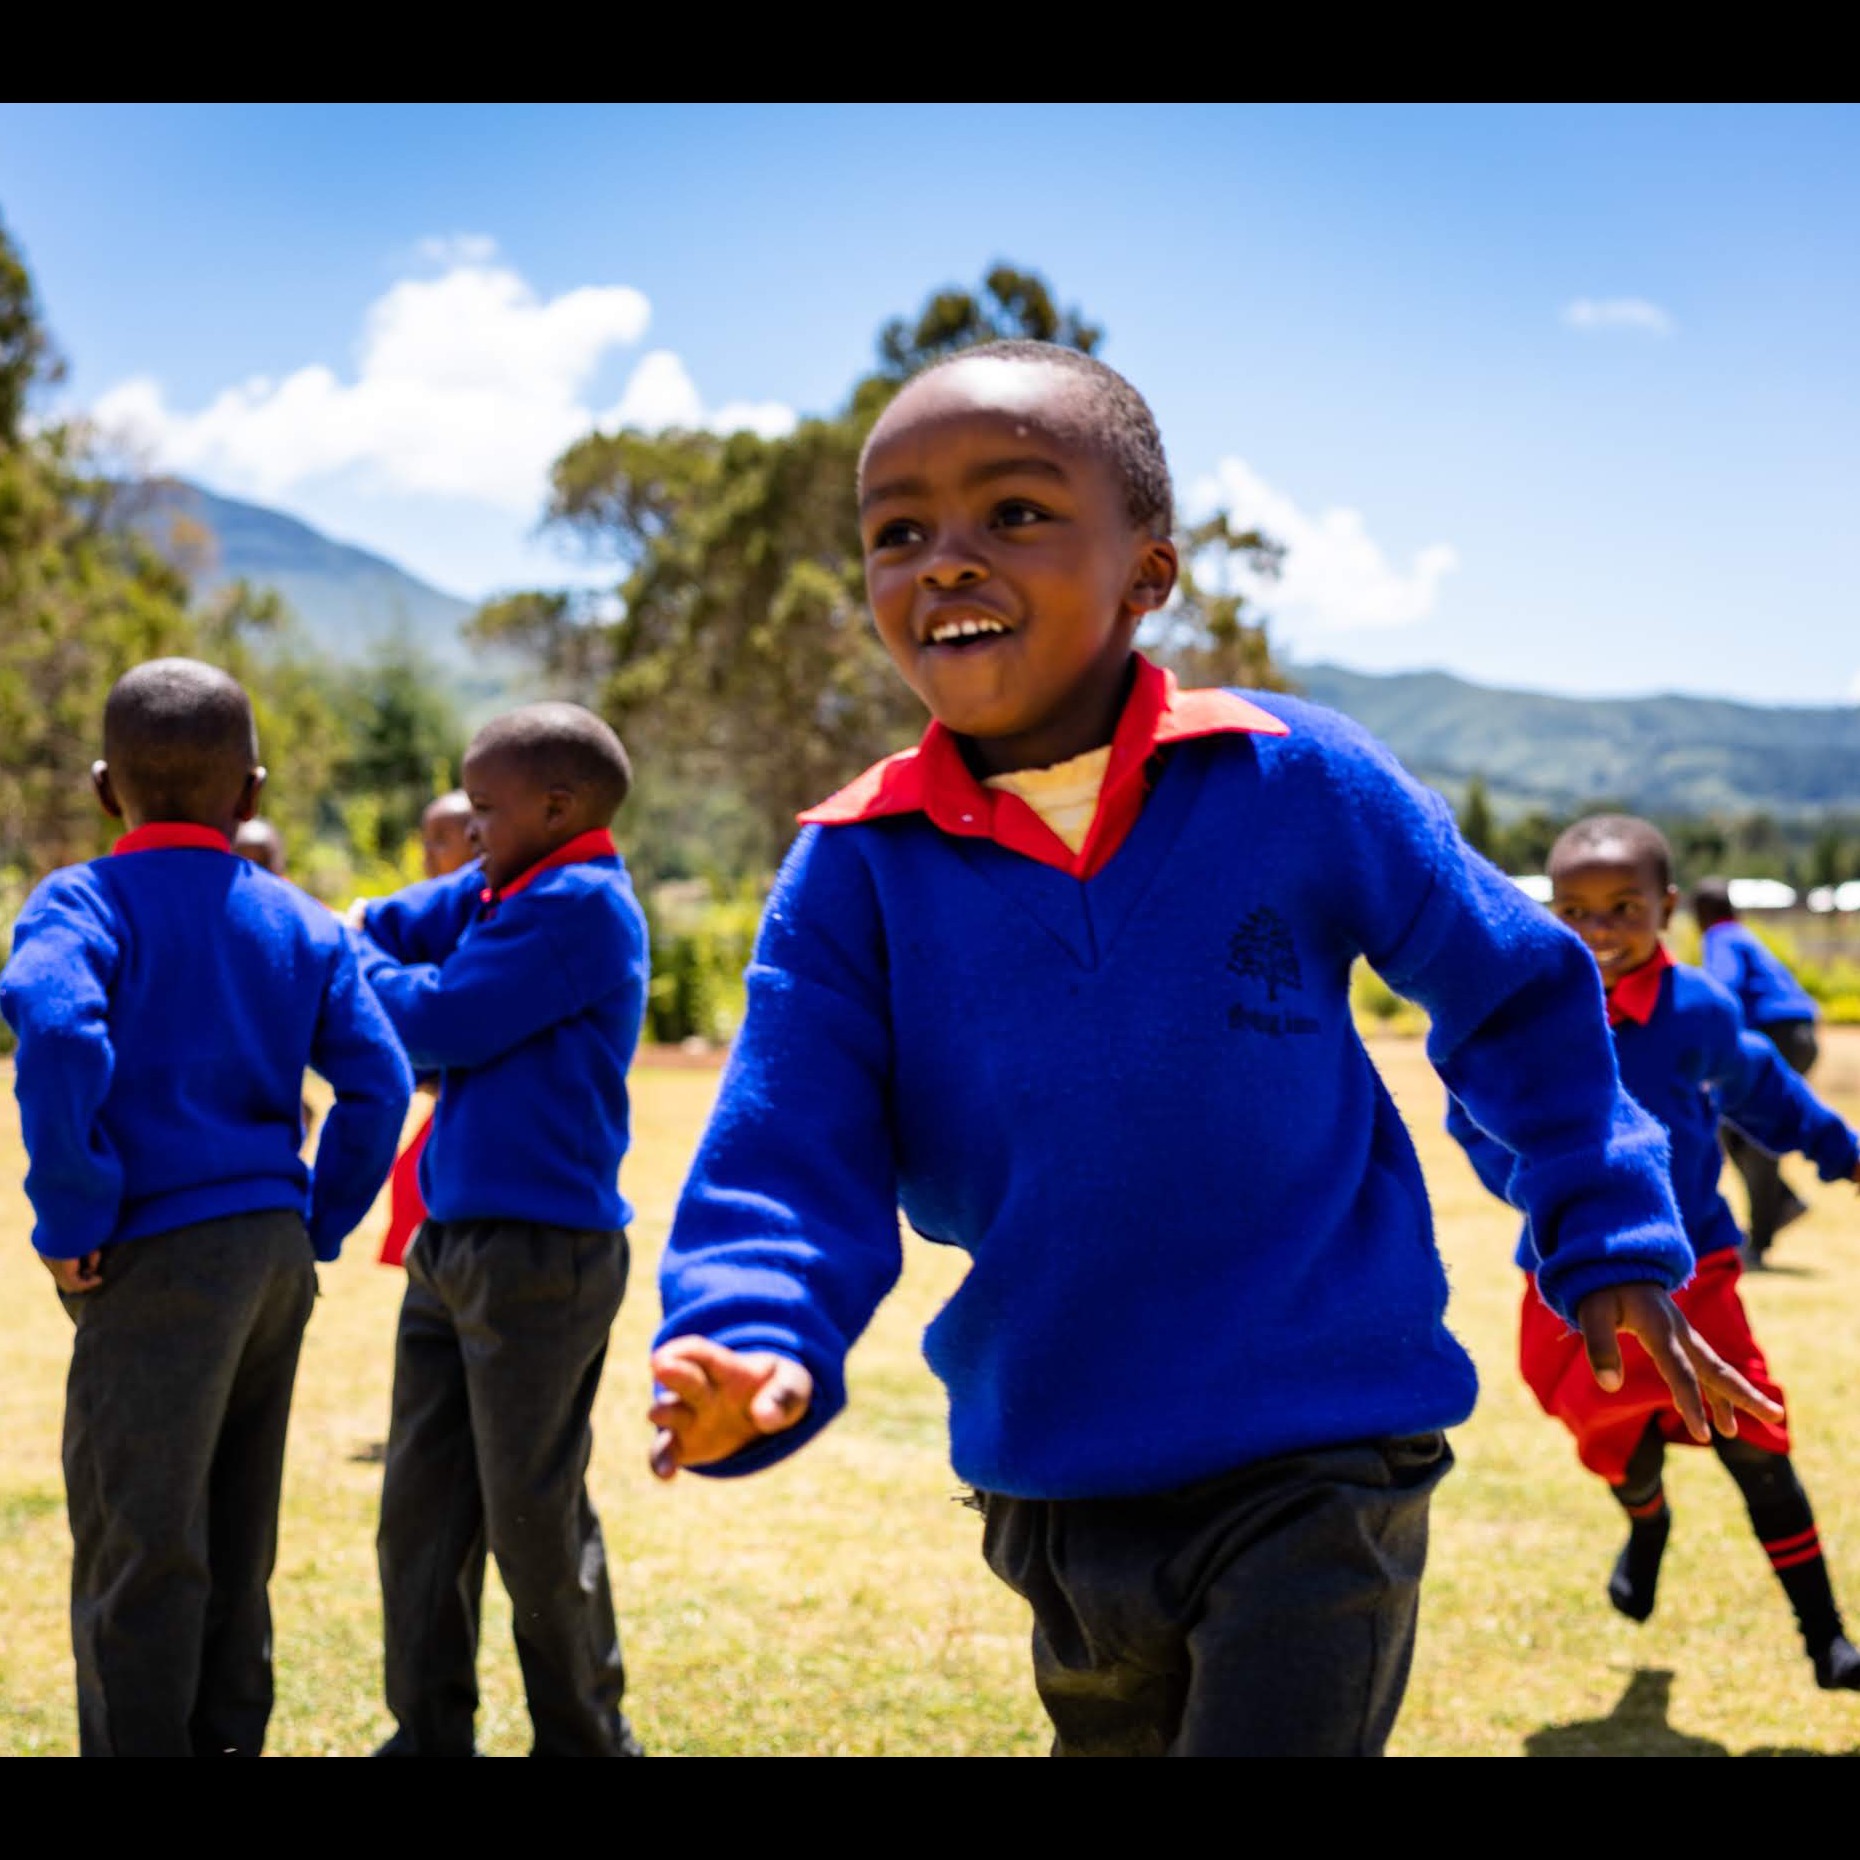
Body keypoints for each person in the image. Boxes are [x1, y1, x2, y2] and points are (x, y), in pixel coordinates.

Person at [646, 342, 1780, 1758]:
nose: (943, 562)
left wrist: (1605, 1235)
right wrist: (752, 1334)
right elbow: (788, 1150)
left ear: (1149, 575)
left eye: (1011, 514)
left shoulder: (1294, 776)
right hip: (1057, 1465)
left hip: (1320, 1443)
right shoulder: (854, 866)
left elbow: (1515, 990)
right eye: (897, 532)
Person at [0, 658, 411, 1757]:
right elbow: (378, 1081)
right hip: (272, 1257)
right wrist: (315, 1222)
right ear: (255, 793)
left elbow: (54, 1031)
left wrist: (73, 1217)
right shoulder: (301, 921)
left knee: (141, 1548)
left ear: (102, 788)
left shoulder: (81, 902)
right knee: (236, 1540)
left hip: (156, 1257)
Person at [1450, 815, 1860, 1690]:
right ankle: (1647, 1522)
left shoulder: (1701, 1010)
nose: (1598, 930)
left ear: (1668, 908)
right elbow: (1473, 1122)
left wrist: (1842, 1153)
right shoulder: (1529, 1014)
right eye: (1575, 910)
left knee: (1756, 1436)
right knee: (1617, 1445)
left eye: (1624, 907)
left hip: (1696, 1269)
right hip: (1569, 1284)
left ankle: (1827, 1638)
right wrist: (1546, 1199)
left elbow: (1769, 1093)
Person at [351, 703, 649, 1758]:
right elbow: (391, 925)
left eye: (485, 809)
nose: (468, 829)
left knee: (531, 1519)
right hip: (452, 1243)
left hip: (542, 1254)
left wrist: (353, 966)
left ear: (559, 809)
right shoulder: (501, 885)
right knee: (421, 1514)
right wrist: (365, 940)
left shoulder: (579, 905)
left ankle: (585, 1740)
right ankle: (425, 1736)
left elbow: (438, 1019)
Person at [1693, 875, 1823, 1263]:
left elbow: (1722, 988)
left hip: (1775, 1035)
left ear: (1700, 916)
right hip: (1795, 1033)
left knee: (1754, 1135)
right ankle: (1782, 1202)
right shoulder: (1744, 936)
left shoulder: (1721, 938)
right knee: (1734, 1129)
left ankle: (1761, 1239)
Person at [377, 788, 480, 1269]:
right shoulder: (426, 920)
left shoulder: (488, 920)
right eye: (425, 840)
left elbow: (443, 1015)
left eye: (442, 839)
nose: (428, 854)